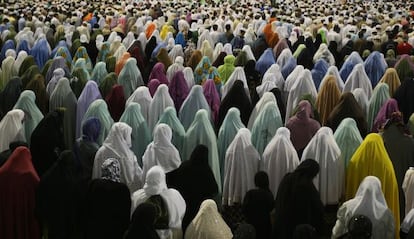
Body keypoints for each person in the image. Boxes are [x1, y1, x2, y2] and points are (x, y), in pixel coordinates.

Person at [273, 159, 325, 238]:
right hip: (299, 231)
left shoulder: (287, 178)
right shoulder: (307, 185)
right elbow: (317, 208)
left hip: (282, 225)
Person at [131, 166, 186, 239]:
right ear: (163, 179)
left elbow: (133, 217)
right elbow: (182, 214)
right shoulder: (175, 196)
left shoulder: (136, 197)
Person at [242, 171, 274, 239]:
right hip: (265, 228)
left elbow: (244, 209)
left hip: (251, 227)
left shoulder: (250, 194)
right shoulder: (269, 195)